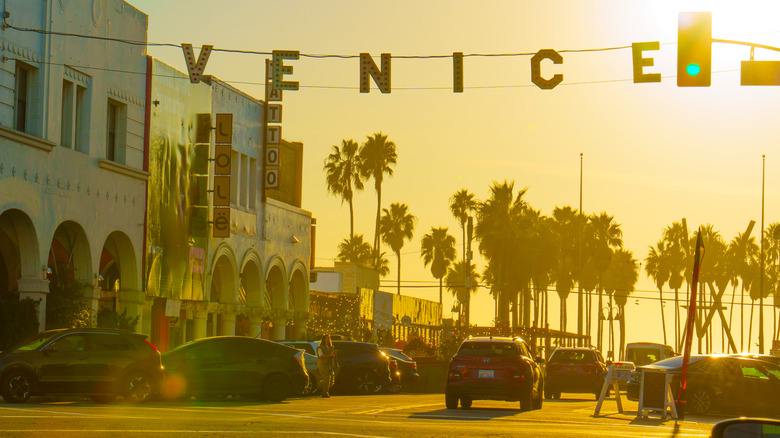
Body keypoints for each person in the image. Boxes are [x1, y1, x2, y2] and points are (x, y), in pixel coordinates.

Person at [317, 334, 336, 398]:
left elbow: (332, 355)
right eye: (327, 338)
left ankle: (321, 385)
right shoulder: (321, 347)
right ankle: (325, 393)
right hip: (322, 364)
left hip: (329, 364)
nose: (329, 339)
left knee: (330, 379)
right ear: (324, 339)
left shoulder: (331, 347)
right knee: (327, 377)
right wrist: (329, 355)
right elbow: (321, 355)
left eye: (329, 338)